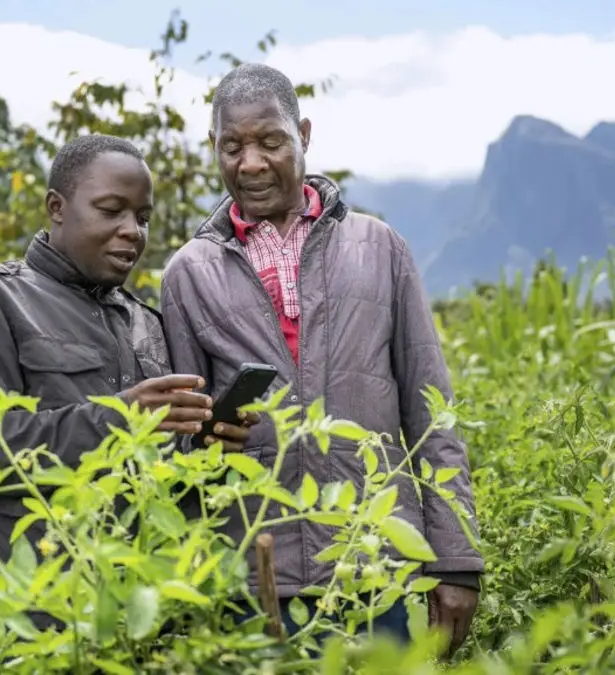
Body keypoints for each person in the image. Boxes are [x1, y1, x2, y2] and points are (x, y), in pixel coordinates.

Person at [159, 64, 483, 657]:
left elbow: (432, 414)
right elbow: (179, 444)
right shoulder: (188, 273)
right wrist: (204, 440)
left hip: (377, 567)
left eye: (270, 141)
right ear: (214, 148)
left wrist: (457, 561)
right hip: (254, 579)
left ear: (303, 135)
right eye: (232, 146)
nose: (250, 162)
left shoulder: (379, 247)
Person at [0, 134, 255, 609]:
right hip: (38, 614)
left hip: (144, 613)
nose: (133, 231)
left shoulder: (147, 322)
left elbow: (162, 478)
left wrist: (204, 447)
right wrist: (118, 418)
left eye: (142, 218)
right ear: (57, 207)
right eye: (111, 210)